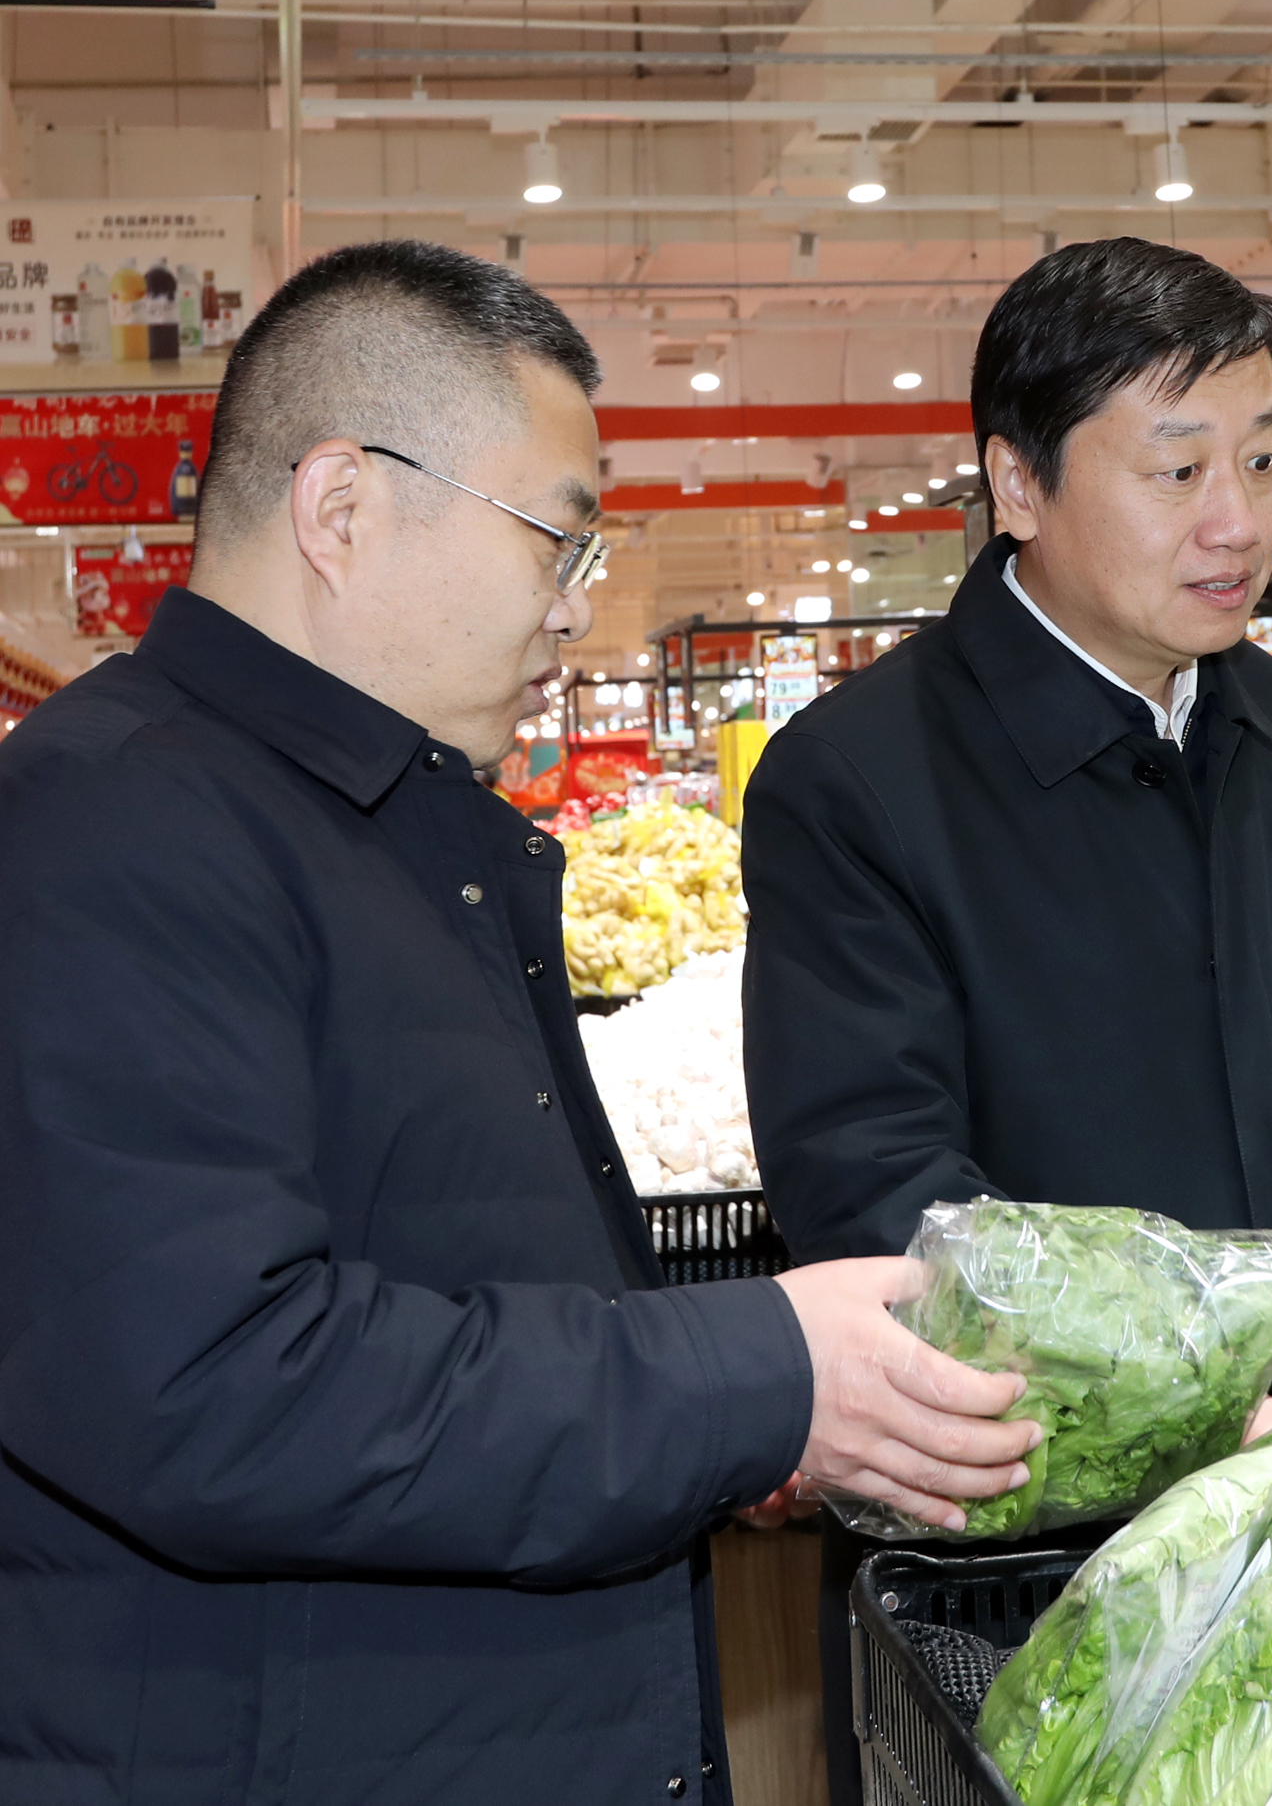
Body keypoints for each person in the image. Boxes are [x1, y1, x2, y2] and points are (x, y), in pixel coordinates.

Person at [0, 241, 1040, 1805]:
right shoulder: (110, 828)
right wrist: (748, 1373)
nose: (575, 607)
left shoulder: (391, 828)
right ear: (341, 507)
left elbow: (458, 1275)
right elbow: (215, 1380)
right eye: (556, 540)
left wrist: (720, 1434)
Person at [740, 236, 1272, 1802]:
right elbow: (878, 1196)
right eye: (1177, 468)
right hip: (1013, 1575)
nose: (1239, 519)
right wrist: (1196, 1412)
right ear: (1017, 485)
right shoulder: (858, 779)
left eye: (1263, 458)